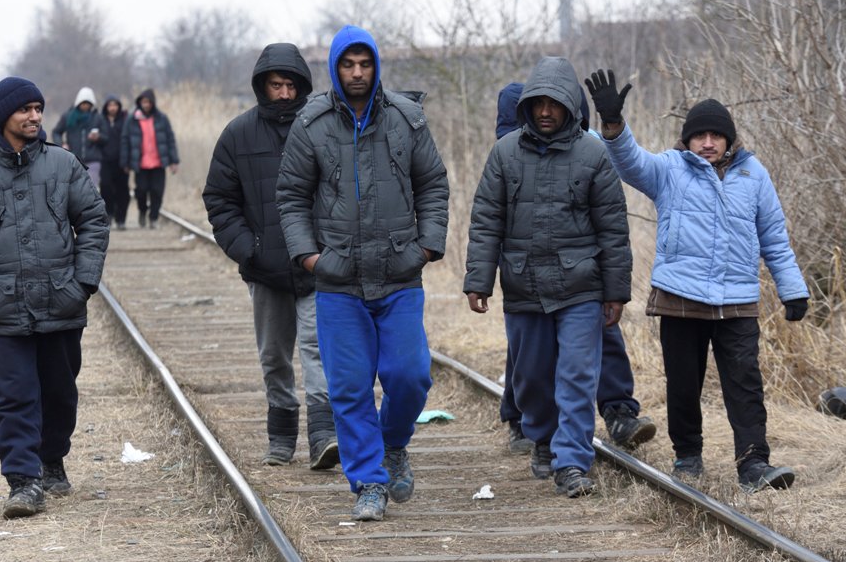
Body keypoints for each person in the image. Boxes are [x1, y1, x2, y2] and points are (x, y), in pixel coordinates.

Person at [584, 68, 809, 492]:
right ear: (687, 140)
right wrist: (613, 124)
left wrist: (792, 289)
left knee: (745, 385)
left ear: (729, 139)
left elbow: (774, 237)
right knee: (684, 385)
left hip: (737, 300)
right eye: (699, 135)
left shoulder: (754, 174)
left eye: (716, 135)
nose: (707, 142)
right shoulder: (670, 169)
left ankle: (753, 464)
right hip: (680, 297)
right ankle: (687, 456)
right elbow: (630, 161)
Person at [276, 25, 449, 521]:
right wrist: (310, 258)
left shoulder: (406, 118)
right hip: (338, 281)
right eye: (348, 65)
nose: (357, 73)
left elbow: (433, 184)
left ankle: (393, 443)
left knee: (410, 375)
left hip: (399, 274)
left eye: (365, 64)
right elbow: (290, 197)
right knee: (349, 388)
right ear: (335, 69)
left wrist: (426, 246)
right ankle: (369, 482)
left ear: (376, 66)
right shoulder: (311, 124)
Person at [464, 58, 633, 498]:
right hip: (523, 285)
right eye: (537, 103)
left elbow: (613, 229)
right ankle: (541, 436)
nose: (545, 111)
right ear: (526, 106)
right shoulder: (505, 153)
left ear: (570, 106)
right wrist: (479, 280)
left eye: (554, 104)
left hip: (581, 287)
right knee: (532, 378)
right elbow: (486, 220)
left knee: (577, 375)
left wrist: (615, 292)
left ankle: (572, 462)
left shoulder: (593, 154)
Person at [0, 76, 109, 519]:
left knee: (59, 393)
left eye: (38, 109)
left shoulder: (63, 164)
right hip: (3, 307)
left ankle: (51, 459)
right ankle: (23, 481)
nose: (34, 116)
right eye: (25, 109)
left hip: (61, 302)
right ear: (4, 116)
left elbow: (94, 221)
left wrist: (82, 283)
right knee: (15, 396)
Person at [494, 82, 655, 455]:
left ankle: (617, 410)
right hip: (527, 261)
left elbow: (611, 212)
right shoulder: (510, 141)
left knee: (598, 336)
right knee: (529, 347)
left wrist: (612, 279)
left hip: (583, 267)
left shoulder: (588, 145)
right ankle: (520, 417)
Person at [204, 43, 338, 470]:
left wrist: (332, 247)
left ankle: (324, 435)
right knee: (274, 356)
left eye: (291, 86)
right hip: (265, 270)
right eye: (276, 85)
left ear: (302, 86)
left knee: (317, 349)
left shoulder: (322, 128)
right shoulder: (238, 134)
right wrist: (249, 250)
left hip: (318, 264)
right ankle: (281, 437)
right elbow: (219, 200)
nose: (284, 93)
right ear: (262, 86)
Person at [121, 88, 179, 229]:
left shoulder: (162, 119)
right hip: (140, 163)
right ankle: (142, 210)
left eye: (148, 102)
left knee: (157, 192)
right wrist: (125, 162)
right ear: (140, 103)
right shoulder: (132, 119)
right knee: (141, 191)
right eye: (143, 102)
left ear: (153, 103)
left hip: (158, 163)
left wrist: (173, 161)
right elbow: (125, 140)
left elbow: (170, 139)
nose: (146, 105)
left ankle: (153, 218)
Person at [52, 86, 110, 187]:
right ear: (78, 103)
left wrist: (98, 137)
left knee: (91, 189)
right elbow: (56, 132)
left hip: (93, 160)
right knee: (75, 190)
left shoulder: (98, 118)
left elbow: (106, 137)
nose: (85, 106)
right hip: (73, 160)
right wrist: (62, 144)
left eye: (88, 103)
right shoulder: (68, 116)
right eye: (83, 103)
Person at [101, 94, 131, 230]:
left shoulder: (125, 120)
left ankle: (121, 219)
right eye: (110, 105)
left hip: (122, 161)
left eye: (115, 105)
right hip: (105, 161)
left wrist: (128, 161)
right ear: (106, 107)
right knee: (106, 188)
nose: (112, 108)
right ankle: (109, 214)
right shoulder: (101, 120)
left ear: (119, 107)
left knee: (122, 191)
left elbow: (129, 140)